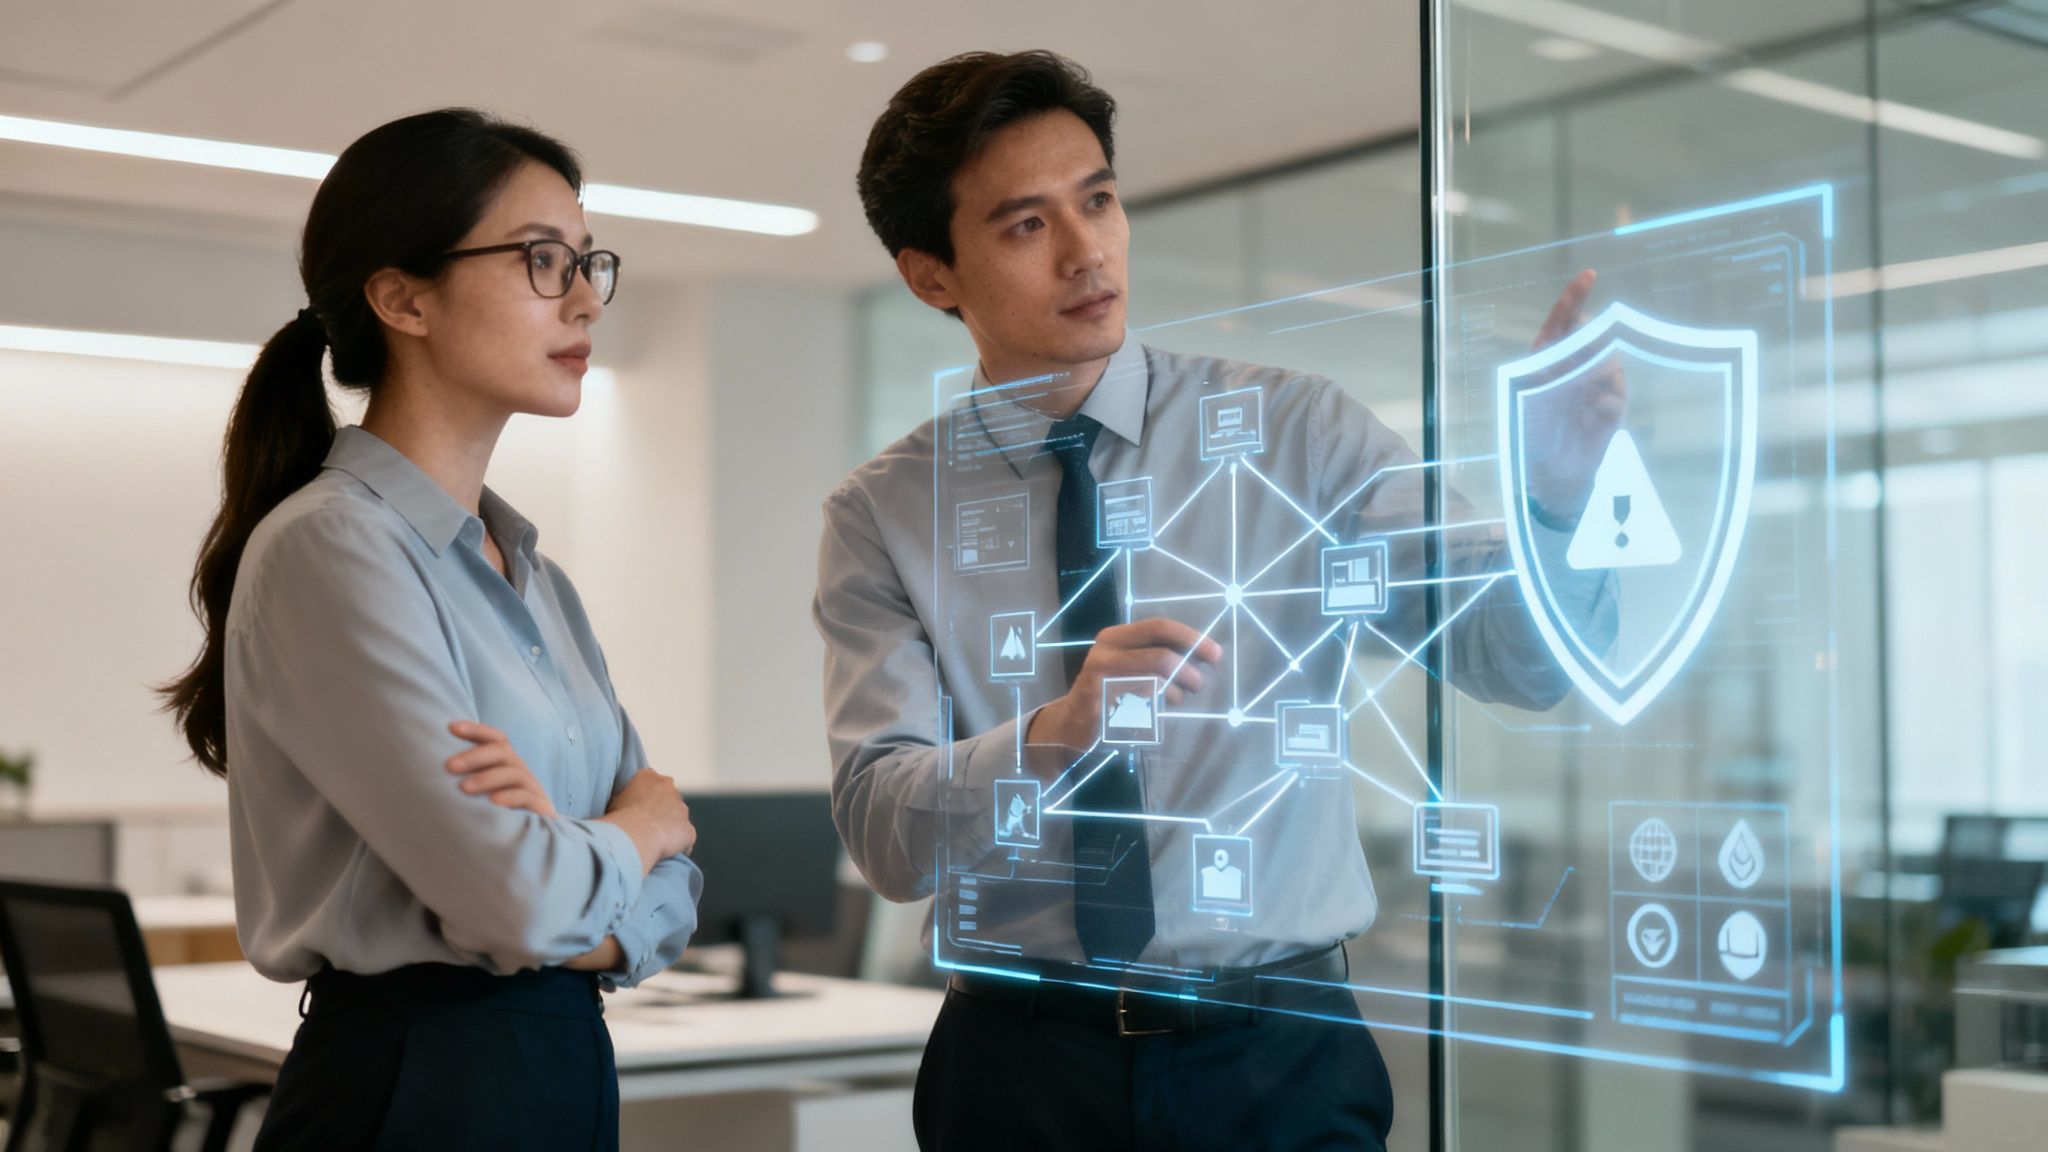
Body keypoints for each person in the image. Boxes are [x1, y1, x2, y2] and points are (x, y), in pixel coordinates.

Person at [815, 51, 1623, 1150]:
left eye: (1097, 199)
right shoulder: (883, 515)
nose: (1086, 249)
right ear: (930, 276)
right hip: (1018, 1074)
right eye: (1024, 225)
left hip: (1276, 1062)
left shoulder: (1298, 437)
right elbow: (884, 839)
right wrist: (1053, 736)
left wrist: (1556, 505)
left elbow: (1517, 663)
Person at [159, 108, 701, 1151]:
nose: (585, 296)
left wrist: (561, 871)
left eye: (587, 261)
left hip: (556, 1065)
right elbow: (529, 896)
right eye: (542, 260)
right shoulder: (331, 550)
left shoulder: (536, 577)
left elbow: (670, 904)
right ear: (402, 296)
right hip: (415, 1083)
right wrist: (635, 830)